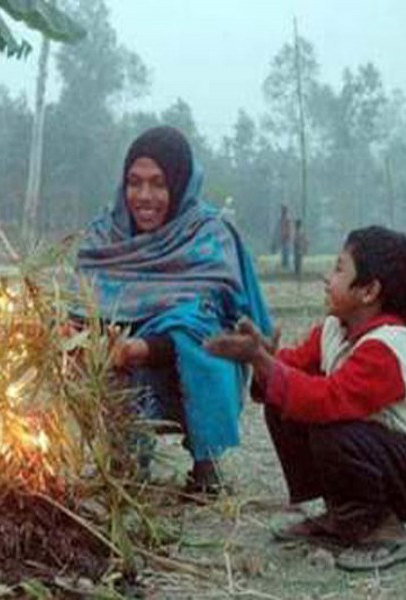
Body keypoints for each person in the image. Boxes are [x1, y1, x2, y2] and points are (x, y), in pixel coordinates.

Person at [205, 226, 406, 571]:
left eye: (338, 268)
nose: (327, 277)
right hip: (379, 452)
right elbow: (290, 370)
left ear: (368, 291)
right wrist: (266, 356)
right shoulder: (335, 329)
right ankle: (343, 517)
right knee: (286, 404)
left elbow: (327, 400)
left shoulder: (386, 348)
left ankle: (381, 528)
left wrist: (262, 362)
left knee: (326, 421)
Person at [73, 126, 273, 494]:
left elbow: (215, 317)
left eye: (158, 184)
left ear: (179, 184)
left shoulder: (208, 234)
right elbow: (80, 301)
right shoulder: (105, 235)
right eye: (134, 182)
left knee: (203, 334)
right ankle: (125, 460)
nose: (144, 196)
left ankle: (205, 460)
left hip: (186, 364)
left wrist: (144, 348)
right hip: (114, 359)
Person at [278, 205, 292, 270]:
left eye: (283, 210)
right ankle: (284, 263)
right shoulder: (281, 219)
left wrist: (287, 235)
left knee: (286, 250)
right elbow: (281, 228)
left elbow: (288, 228)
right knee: (283, 250)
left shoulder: (287, 219)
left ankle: (286, 263)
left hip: (286, 237)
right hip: (282, 237)